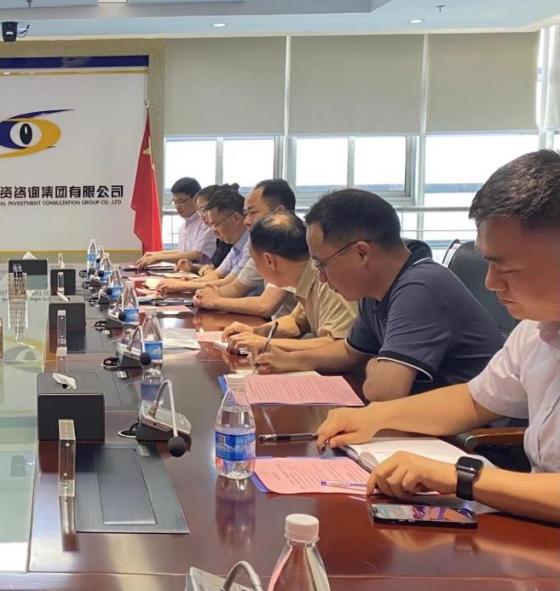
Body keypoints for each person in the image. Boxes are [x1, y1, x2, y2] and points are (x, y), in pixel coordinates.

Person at [317, 151, 560, 524]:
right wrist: (373, 417)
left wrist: (461, 477)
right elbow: (474, 401)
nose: (490, 283)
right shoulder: (536, 328)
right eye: (488, 262)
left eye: (506, 267)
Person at [256, 189, 503, 402]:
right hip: (421, 419)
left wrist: (372, 364)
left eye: (322, 264)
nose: (320, 277)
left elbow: (384, 392)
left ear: (362, 253)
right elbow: (349, 353)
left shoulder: (420, 288)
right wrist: (291, 360)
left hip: (470, 436)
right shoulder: (375, 291)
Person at [222, 211, 357, 353]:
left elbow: (338, 345)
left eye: (255, 261)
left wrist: (266, 343)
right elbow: (295, 322)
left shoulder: (329, 280)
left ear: (269, 261)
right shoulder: (306, 275)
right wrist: (255, 332)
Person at [192, 179, 298, 317]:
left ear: (280, 213)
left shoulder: (292, 243)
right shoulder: (265, 244)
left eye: (253, 213)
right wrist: (205, 295)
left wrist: (215, 301)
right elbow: (236, 287)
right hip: (277, 324)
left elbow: (265, 305)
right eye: (246, 213)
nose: (246, 221)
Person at [156, 187, 253, 295]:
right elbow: (216, 274)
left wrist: (183, 285)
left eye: (215, 224)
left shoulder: (251, 246)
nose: (214, 231)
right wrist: (191, 282)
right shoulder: (236, 246)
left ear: (236, 219)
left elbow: (229, 283)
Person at [135, 177, 216, 269]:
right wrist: (156, 254)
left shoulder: (206, 223)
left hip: (203, 274)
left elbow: (196, 255)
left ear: (195, 198)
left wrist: (158, 257)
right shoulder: (184, 225)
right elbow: (183, 251)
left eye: (181, 201)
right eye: (174, 202)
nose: (177, 206)